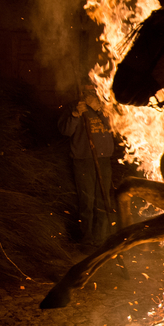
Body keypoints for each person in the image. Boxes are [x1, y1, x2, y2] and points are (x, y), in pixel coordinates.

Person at [58, 85, 116, 245]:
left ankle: (102, 238)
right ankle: (87, 239)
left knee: (103, 200)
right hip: (83, 160)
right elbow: (65, 131)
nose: (90, 94)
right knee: (86, 200)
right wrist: (75, 114)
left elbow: (115, 128)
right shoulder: (75, 106)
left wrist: (98, 110)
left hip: (104, 160)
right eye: (86, 91)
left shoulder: (106, 107)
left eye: (93, 91)